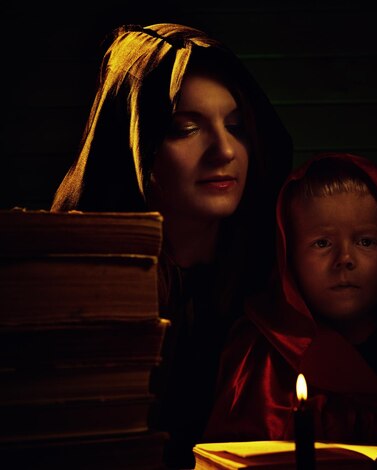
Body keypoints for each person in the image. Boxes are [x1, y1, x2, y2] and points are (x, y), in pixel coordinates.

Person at [50, 23, 293, 469]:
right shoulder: (73, 281)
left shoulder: (277, 265)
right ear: (134, 142)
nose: (224, 150)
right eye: (186, 128)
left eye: (236, 125)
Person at [203, 152, 377, 447]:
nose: (345, 259)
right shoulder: (262, 357)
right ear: (289, 257)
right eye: (322, 243)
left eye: (366, 241)